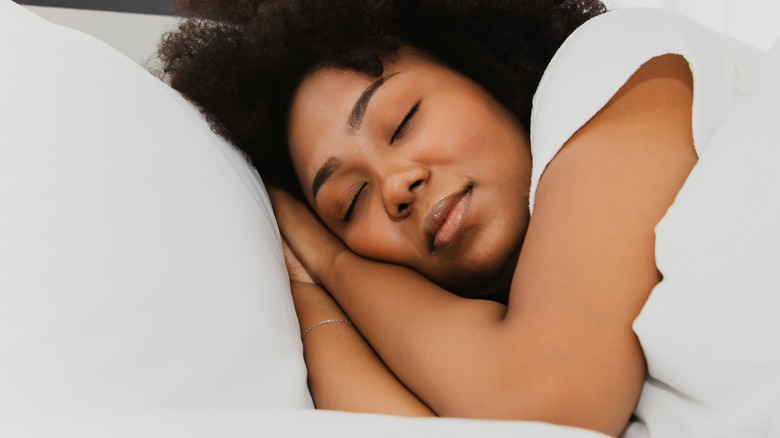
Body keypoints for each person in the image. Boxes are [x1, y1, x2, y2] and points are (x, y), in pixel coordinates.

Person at [155, 1, 768, 436]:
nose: (396, 185)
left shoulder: (614, 61)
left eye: (402, 120)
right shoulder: (489, 360)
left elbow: (545, 403)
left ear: (482, 70)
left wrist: (334, 261)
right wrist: (305, 289)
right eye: (349, 202)